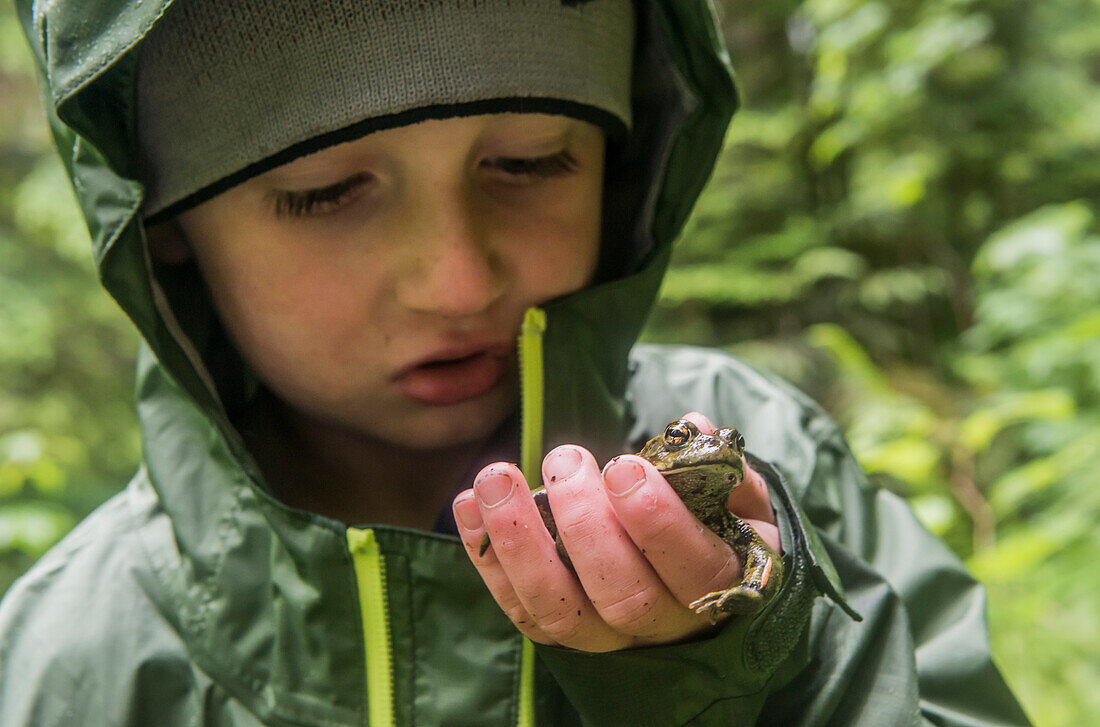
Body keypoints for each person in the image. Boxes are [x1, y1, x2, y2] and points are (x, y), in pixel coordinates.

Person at [0, 1, 1031, 725]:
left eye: (530, 161)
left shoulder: (775, 469)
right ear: (161, 223)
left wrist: (744, 672)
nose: (455, 279)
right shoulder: (61, 659)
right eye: (324, 191)